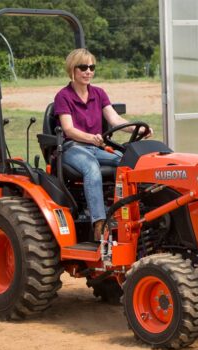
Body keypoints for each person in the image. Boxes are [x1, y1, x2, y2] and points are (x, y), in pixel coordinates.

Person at [52, 48, 150, 241]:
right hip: (71, 148)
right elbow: (68, 129)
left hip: (95, 147)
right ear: (72, 69)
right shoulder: (63, 96)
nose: (88, 71)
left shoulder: (99, 93)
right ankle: (99, 224)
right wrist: (90, 138)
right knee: (91, 167)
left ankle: (129, 215)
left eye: (91, 67)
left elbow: (114, 119)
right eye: (83, 67)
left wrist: (137, 130)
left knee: (126, 162)